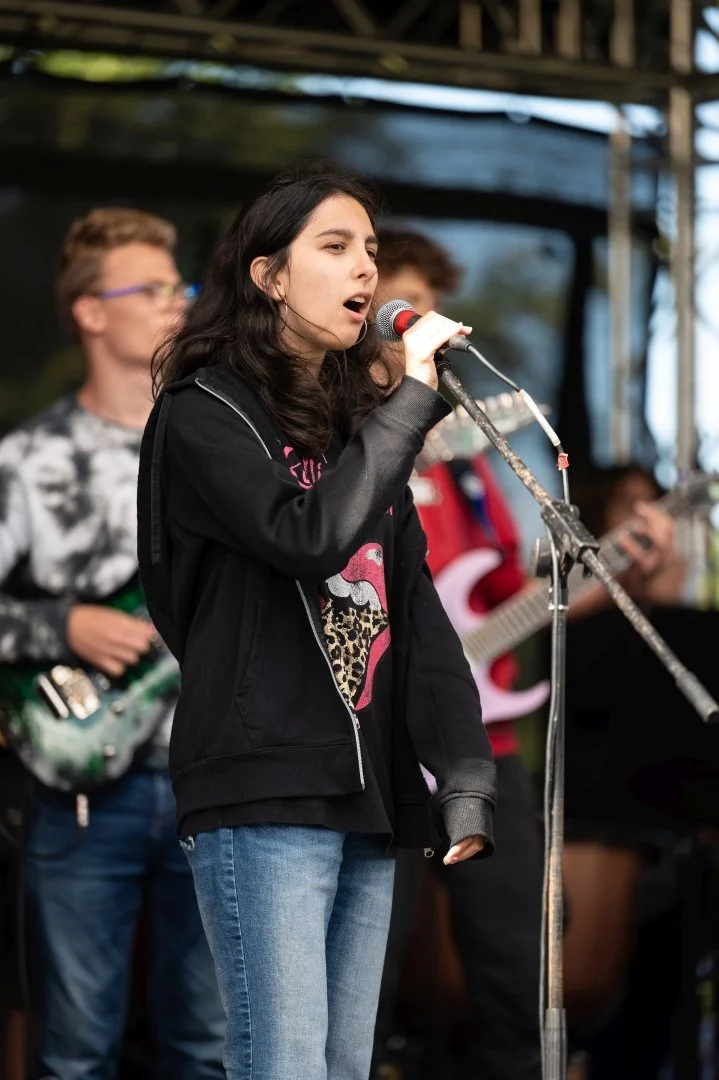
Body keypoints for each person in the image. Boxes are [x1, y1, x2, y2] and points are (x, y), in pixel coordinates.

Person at [136, 160, 498, 1080]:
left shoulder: (358, 430)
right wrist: (411, 402)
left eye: (371, 251)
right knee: (283, 1063)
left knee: (341, 1066)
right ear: (268, 275)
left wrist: (460, 771)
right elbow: (306, 537)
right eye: (335, 248)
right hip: (262, 782)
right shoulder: (205, 409)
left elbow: (412, 617)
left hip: (366, 792)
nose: (365, 272)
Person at [371, 229, 679, 1080]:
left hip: (484, 740)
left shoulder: (475, 459)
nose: (420, 326)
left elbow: (523, 600)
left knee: (519, 957)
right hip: (383, 741)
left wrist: (619, 562)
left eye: (429, 308)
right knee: (368, 970)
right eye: (402, 307)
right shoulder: (349, 442)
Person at [0, 208, 226, 1079]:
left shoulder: (221, 447)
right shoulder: (29, 460)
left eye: (184, 287)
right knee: (74, 1052)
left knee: (206, 1049)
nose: (178, 304)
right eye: (154, 288)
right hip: (83, 788)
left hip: (214, 781)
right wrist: (62, 624)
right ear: (91, 312)